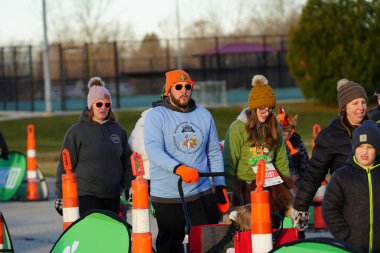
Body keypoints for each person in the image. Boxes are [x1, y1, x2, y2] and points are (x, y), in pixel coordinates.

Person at [144, 69, 230, 253]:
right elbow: (154, 150)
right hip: (168, 196)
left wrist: (221, 187)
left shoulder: (204, 115)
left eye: (188, 86)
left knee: (208, 245)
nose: (184, 90)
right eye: (178, 86)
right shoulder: (156, 115)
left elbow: (214, 152)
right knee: (170, 246)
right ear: (168, 91)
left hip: (201, 192)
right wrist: (178, 168)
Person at [292, 78, 369, 232]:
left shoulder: (372, 130)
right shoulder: (330, 137)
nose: (361, 108)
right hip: (349, 206)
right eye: (355, 103)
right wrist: (301, 208)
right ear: (344, 107)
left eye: (363, 102)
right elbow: (314, 175)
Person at [54, 77, 133, 217]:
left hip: (112, 194)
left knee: (109, 234)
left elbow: (127, 161)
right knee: (92, 234)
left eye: (107, 104)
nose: (103, 108)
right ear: (91, 105)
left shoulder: (118, 130)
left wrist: (131, 187)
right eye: (99, 104)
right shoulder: (76, 132)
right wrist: (61, 195)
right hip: (86, 194)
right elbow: (65, 165)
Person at [223, 74, 293, 218]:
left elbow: (281, 160)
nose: (266, 113)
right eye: (262, 109)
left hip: (271, 185)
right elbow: (228, 164)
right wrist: (230, 193)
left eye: (269, 109)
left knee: (279, 220)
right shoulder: (237, 128)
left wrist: (287, 186)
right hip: (245, 186)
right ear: (254, 107)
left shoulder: (275, 127)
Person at [322, 120, 380, 252]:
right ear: (354, 148)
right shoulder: (342, 176)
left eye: (370, 147)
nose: (364, 152)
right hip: (352, 246)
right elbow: (330, 208)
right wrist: (344, 236)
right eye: (360, 147)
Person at [277, 107, 309, 188]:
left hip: (295, 177)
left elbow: (304, 164)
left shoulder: (297, 142)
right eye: (281, 129)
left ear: (291, 130)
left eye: (286, 129)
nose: (283, 132)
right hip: (277, 178)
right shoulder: (273, 143)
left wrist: (303, 177)